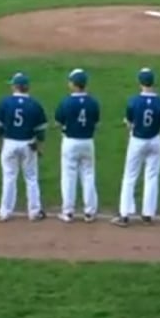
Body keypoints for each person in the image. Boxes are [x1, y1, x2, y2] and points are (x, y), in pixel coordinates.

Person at [116, 68, 160, 226]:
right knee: (152, 176)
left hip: (137, 141)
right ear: (153, 82)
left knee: (130, 177)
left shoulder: (133, 101)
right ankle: (148, 214)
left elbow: (129, 123)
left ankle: (125, 214)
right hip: (155, 141)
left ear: (140, 82)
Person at [0, 72, 46, 222]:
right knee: (31, 177)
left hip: (9, 143)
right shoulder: (35, 104)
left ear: (14, 87)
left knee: (9, 177)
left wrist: (0, 145)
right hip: (28, 144)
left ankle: (4, 212)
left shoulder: (5, 103)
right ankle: (34, 212)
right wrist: (40, 146)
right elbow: (40, 131)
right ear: (27, 87)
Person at [54, 69, 100, 223]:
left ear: (74, 84)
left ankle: (68, 212)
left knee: (68, 176)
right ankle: (90, 212)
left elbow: (58, 122)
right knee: (88, 175)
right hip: (88, 141)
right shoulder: (93, 102)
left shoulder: (66, 102)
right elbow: (96, 123)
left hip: (70, 142)